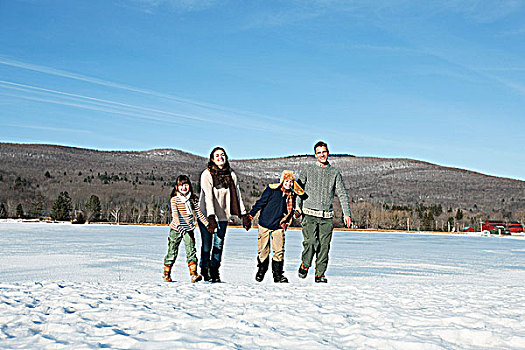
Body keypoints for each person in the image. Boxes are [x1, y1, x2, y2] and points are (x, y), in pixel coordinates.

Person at [296, 141, 352, 283]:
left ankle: (319, 274)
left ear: (328, 153)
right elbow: (298, 189)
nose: (322, 154)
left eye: (324, 151)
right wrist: (298, 207)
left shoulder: (334, 173)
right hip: (309, 214)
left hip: (326, 217)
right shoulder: (307, 170)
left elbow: (342, 193)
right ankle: (305, 264)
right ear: (315, 155)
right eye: (319, 152)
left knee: (324, 247)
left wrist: (347, 214)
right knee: (310, 242)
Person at [244, 170, 304, 283]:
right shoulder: (272, 190)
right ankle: (261, 270)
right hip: (265, 224)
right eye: (286, 181)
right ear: (282, 181)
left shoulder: (291, 195)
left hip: (279, 225)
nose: (289, 184)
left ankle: (278, 275)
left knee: (279, 250)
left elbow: (290, 211)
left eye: (291, 182)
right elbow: (260, 203)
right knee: (263, 250)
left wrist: (292, 217)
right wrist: (250, 216)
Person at [198, 147, 248, 283]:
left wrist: (243, 214)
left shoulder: (231, 175)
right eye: (217, 155)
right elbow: (208, 197)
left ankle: (214, 270)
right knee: (207, 245)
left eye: (223, 155)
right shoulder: (206, 174)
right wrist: (211, 217)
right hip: (206, 215)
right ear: (212, 159)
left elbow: (237, 195)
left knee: (218, 244)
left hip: (223, 216)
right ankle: (204, 268)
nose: (220, 157)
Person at [163, 175, 213, 283]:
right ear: (177, 187)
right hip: (176, 229)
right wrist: (180, 227)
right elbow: (175, 216)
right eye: (181, 185)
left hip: (189, 229)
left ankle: (193, 275)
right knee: (172, 252)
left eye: (186, 185)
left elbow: (199, 214)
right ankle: (166, 273)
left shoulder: (192, 200)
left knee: (191, 251)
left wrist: (208, 224)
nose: (184, 188)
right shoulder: (175, 200)